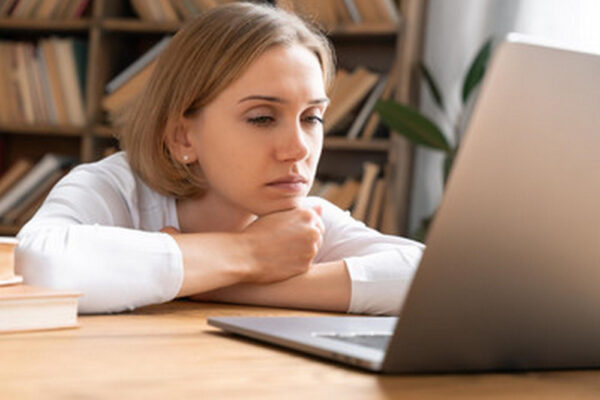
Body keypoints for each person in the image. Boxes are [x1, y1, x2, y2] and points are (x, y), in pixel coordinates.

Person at [15, 2, 424, 315]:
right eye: (262, 118)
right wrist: (252, 254)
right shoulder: (115, 186)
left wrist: (222, 284)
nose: (299, 148)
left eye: (312, 117)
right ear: (182, 137)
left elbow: (427, 277)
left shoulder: (300, 219)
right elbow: (41, 262)